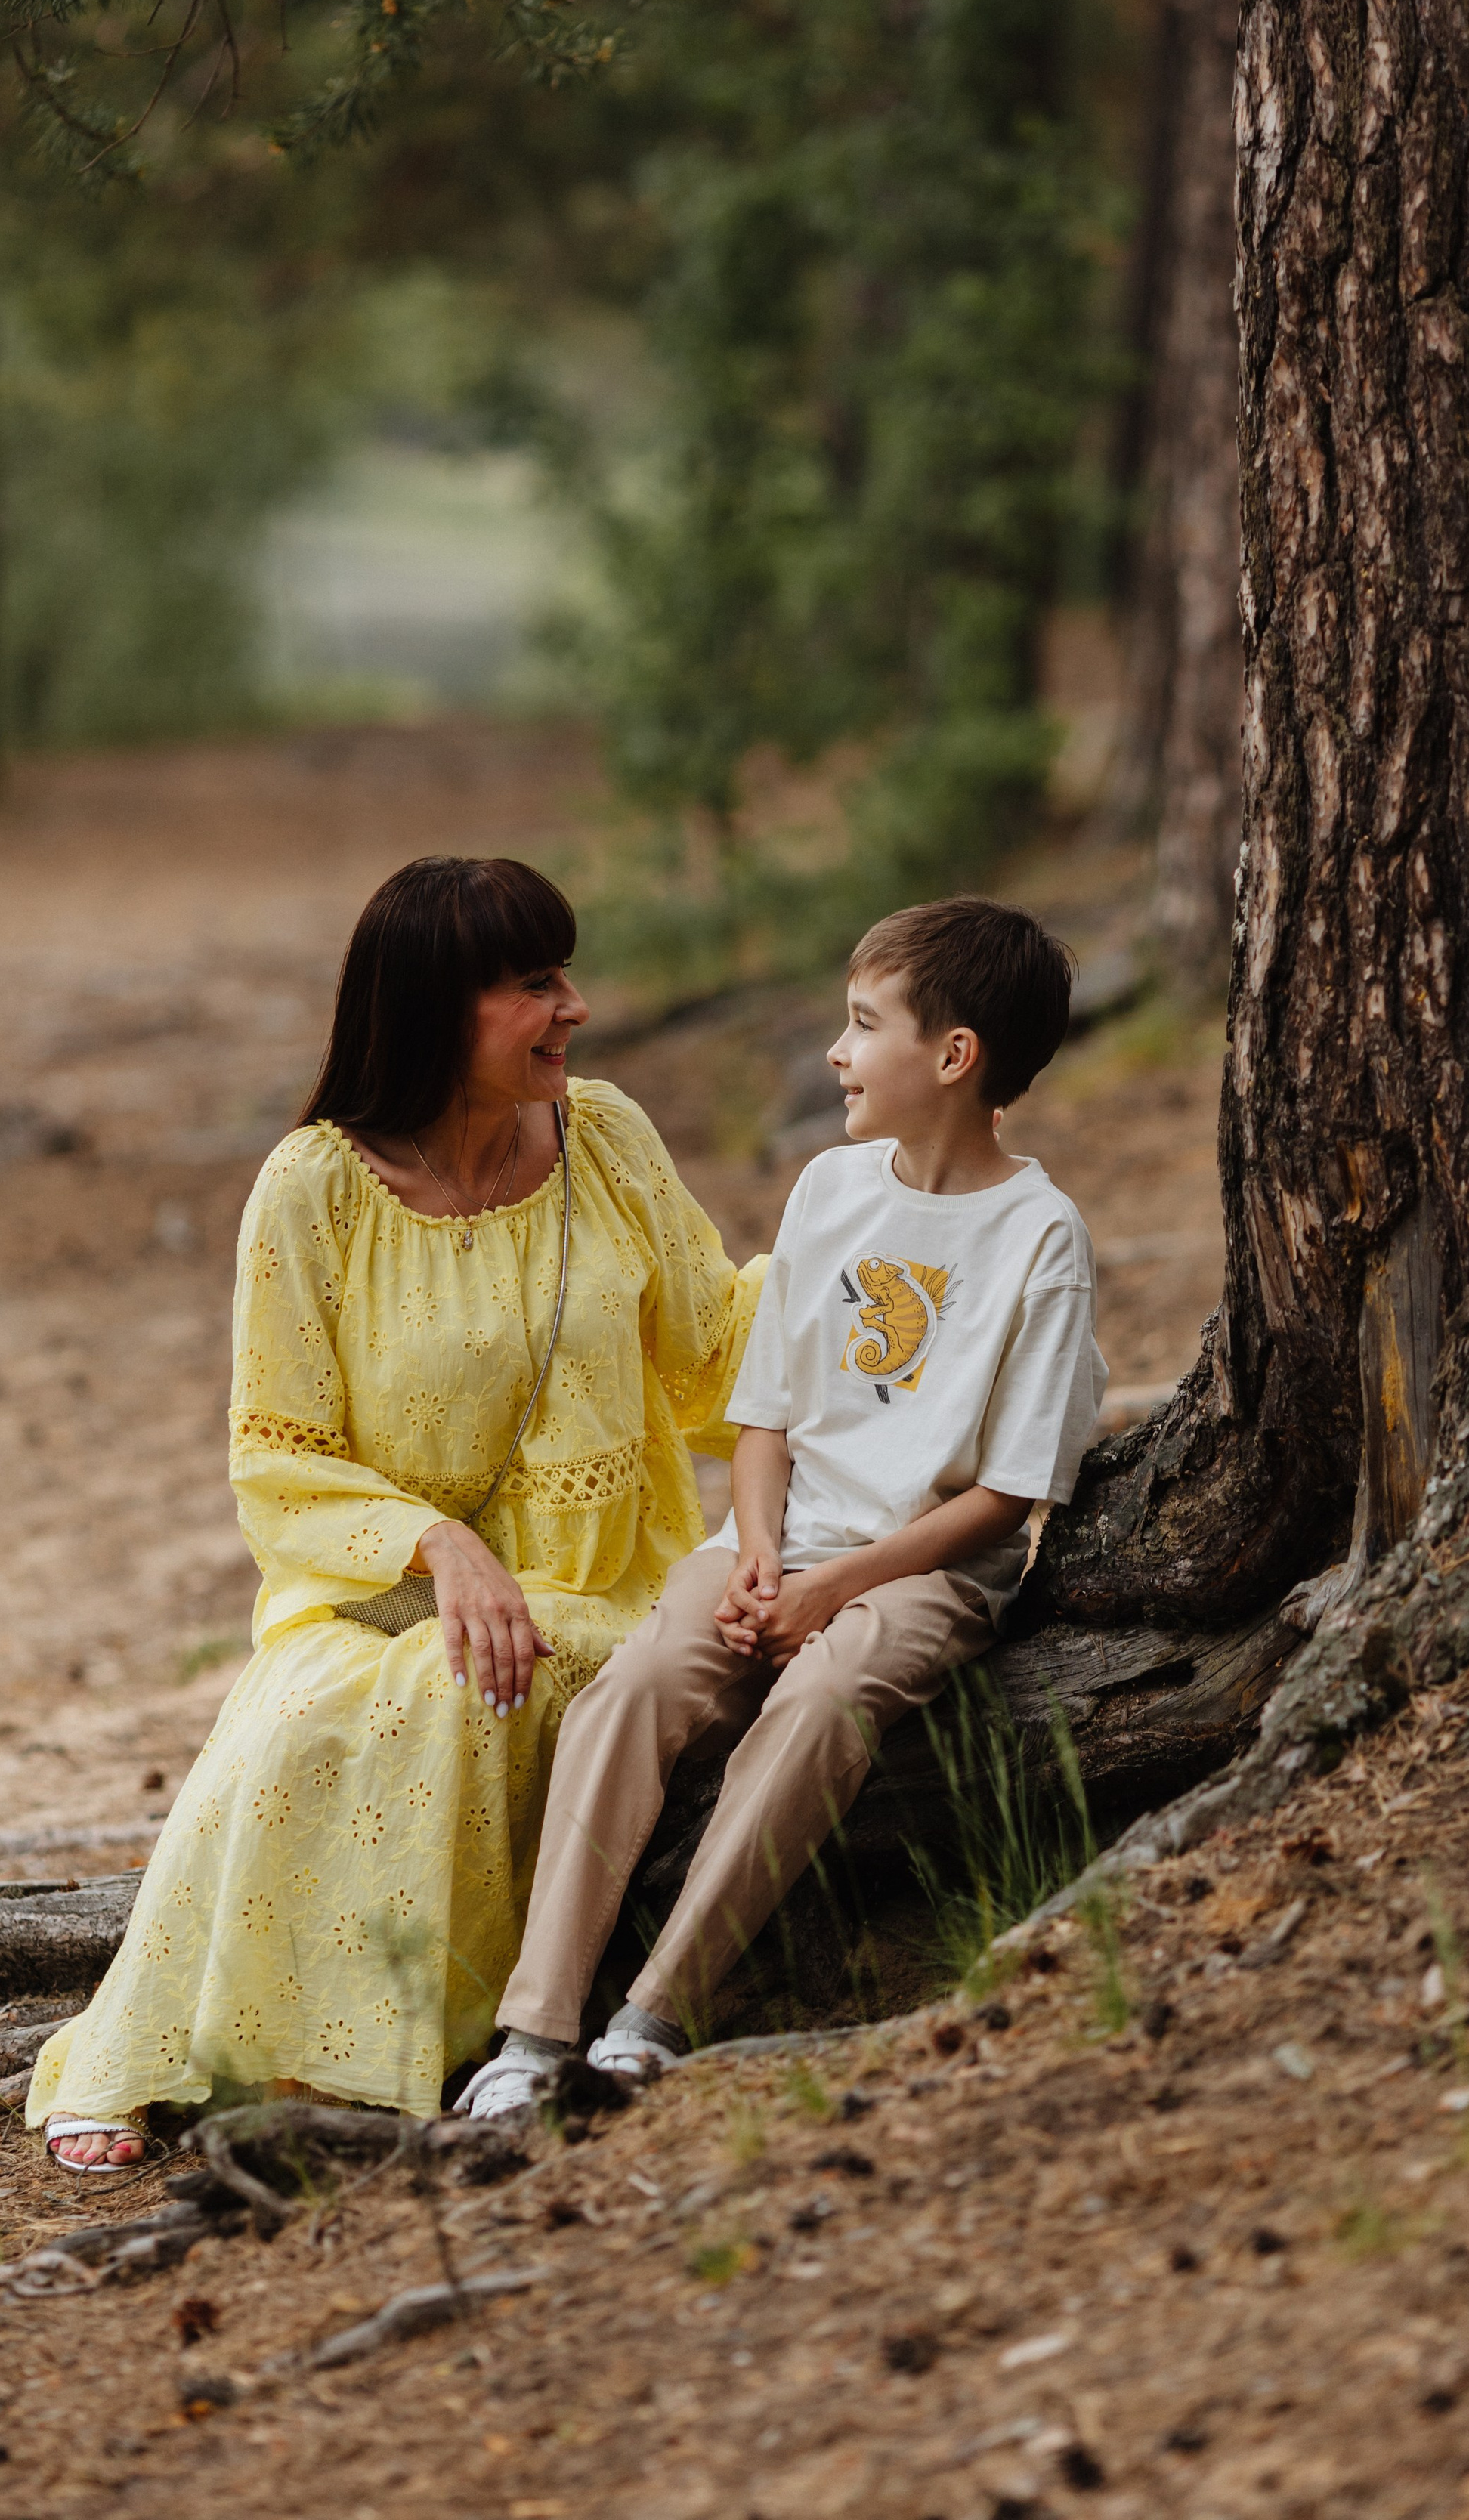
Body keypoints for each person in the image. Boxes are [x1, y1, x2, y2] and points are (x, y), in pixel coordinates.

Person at [28, 856, 763, 2169]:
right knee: (300, 1709)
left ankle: (357, 2064)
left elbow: (714, 1353)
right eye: (533, 985)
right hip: (376, 1582)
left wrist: (863, 1246)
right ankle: (156, 2042)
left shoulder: (607, 1138)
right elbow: (279, 1457)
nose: (573, 1008)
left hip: (602, 1595)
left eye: (566, 976)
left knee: (462, 1685)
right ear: (434, 1006)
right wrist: (437, 1542)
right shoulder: (311, 1189)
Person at [457, 893, 1106, 2116]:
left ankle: (655, 2012)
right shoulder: (829, 1190)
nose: (837, 1051)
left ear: (953, 1058)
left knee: (818, 1699)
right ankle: (534, 2033)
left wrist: (829, 1592)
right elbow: (765, 1421)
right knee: (632, 1693)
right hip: (775, 1544)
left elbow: (1010, 1497)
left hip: (920, 1576)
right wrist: (761, 1560)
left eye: (864, 1026)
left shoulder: (1040, 1239)